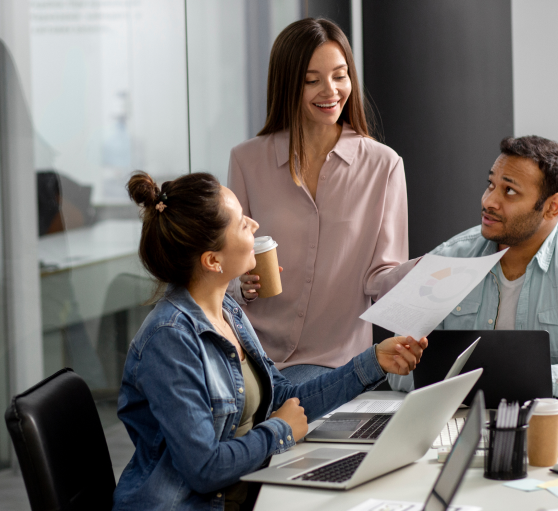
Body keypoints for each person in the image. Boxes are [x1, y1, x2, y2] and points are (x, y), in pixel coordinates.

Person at [112, 171, 426, 511]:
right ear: (212, 260)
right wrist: (280, 431)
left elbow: (285, 398)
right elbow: (204, 469)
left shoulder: (228, 311)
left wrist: (373, 361)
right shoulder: (170, 340)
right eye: (241, 224)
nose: (254, 224)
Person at [385, 135, 558, 398]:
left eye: (509, 191)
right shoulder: (446, 259)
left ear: (551, 207)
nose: (488, 201)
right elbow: (396, 367)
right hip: (459, 425)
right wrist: (485, 381)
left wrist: (536, 379)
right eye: (491, 184)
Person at [227, 18, 411, 384]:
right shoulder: (247, 161)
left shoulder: (383, 165)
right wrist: (241, 285)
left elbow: (382, 276)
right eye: (312, 80)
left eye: (340, 76)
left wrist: (435, 273)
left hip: (335, 363)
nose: (331, 91)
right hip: (253, 356)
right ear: (287, 84)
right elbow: (228, 268)